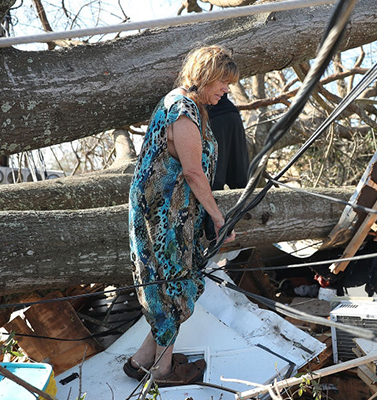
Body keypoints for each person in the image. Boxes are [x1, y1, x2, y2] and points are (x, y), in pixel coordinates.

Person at [125, 45, 238, 386]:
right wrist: (218, 218)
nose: (226, 89)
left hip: (173, 213)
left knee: (176, 284)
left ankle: (142, 360)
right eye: (222, 81)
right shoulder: (182, 110)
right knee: (171, 287)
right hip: (161, 218)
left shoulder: (193, 107)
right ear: (205, 76)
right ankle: (162, 371)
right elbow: (193, 173)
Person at [208, 93, 250, 190]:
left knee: (216, 181)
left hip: (217, 116)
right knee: (239, 178)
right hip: (225, 114)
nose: (226, 88)